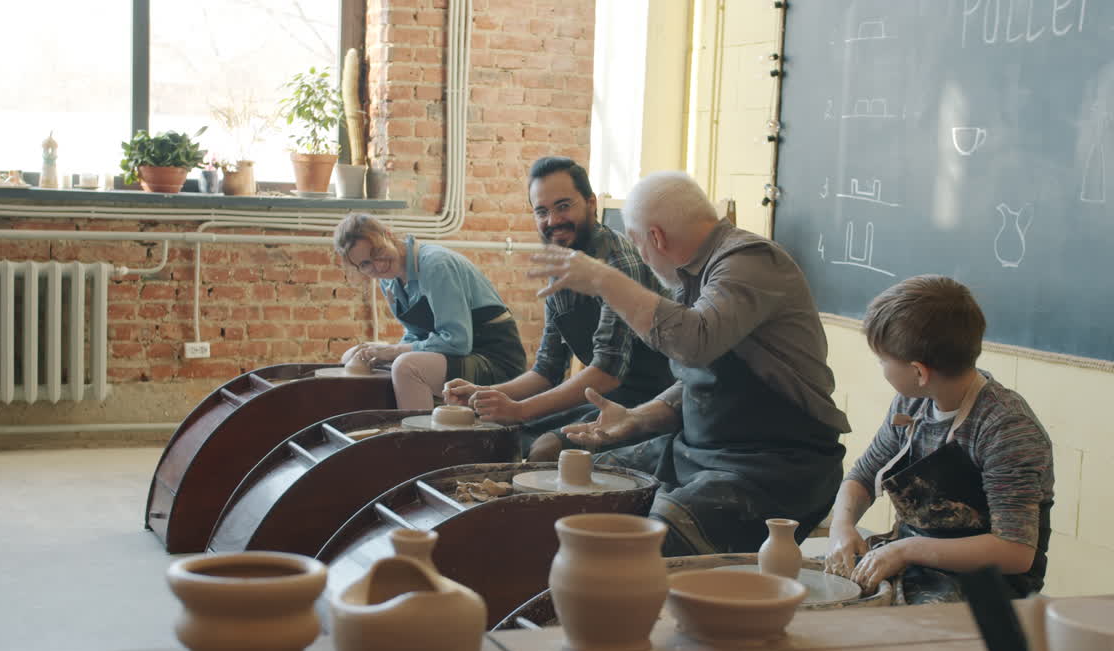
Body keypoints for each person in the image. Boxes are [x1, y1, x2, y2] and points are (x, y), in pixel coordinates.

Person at [527, 170, 850, 555]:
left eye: (639, 245)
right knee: (574, 482)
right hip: (697, 452)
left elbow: (693, 342)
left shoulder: (749, 262)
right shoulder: (693, 276)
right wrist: (637, 418)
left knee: (645, 543)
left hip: (776, 467)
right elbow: (700, 379)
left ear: (655, 238)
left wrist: (603, 279)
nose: (643, 258)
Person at [823, 275, 1054, 603]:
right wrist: (841, 527)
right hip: (916, 562)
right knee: (819, 596)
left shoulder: (1004, 427)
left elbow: (1015, 551)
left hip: (988, 587)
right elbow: (862, 476)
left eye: (882, 360)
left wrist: (907, 550)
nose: (881, 368)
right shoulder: (912, 403)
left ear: (919, 372)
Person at [443, 157, 673, 459]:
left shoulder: (619, 260)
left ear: (590, 203)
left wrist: (520, 410)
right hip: (603, 395)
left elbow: (608, 372)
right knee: (496, 436)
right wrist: (485, 394)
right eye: (542, 211)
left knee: (546, 450)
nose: (552, 221)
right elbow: (547, 369)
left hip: (653, 402)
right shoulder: (562, 262)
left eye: (563, 206)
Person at [334, 213, 526, 410]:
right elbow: (416, 335)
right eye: (365, 264)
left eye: (378, 252)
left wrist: (393, 352)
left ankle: (420, 437)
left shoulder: (435, 265)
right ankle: (384, 429)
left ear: (388, 235)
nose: (378, 266)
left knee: (405, 367)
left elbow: (458, 341)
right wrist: (382, 353)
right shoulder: (388, 279)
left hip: (493, 358)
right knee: (354, 355)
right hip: (455, 355)